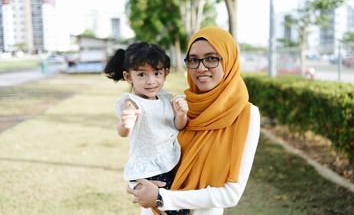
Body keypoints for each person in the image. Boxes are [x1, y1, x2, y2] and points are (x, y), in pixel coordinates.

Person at [128, 27, 261, 215]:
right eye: (193, 59)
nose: (201, 67)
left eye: (212, 58)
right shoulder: (179, 105)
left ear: (229, 60)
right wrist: (138, 184)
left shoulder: (246, 114)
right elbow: (144, 152)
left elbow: (231, 194)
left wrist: (162, 197)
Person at [104, 42, 190, 215]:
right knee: (175, 211)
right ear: (128, 77)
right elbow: (123, 132)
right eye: (142, 74)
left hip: (169, 163)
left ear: (165, 73)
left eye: (157, 73)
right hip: (149, 170)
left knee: (180, 207)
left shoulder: (167, 98)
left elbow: (178, 126)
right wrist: (125, 124)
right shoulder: (132, 103)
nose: (151, 81)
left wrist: (181, 115)